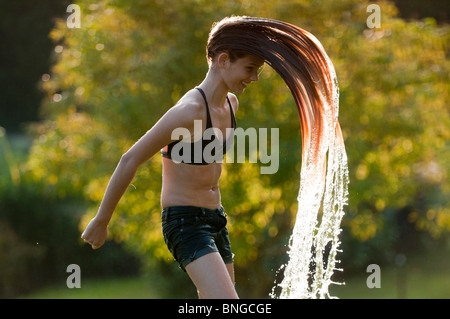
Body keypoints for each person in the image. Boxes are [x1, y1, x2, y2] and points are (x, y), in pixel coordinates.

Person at [82, 15, 341, 299]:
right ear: (223, 60)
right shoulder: (190, 111)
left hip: (217, 219)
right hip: (185, 223)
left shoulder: (231, 104)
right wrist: (102, 219)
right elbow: (130, 159)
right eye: (250, 68)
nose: (254, 78)